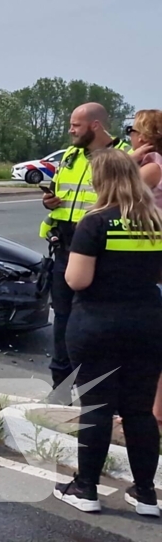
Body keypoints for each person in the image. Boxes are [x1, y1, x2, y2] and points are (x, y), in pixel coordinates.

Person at [53, 148, 162, 516]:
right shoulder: (155, 221)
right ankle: (146, 494)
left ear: (102, 181)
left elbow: (78, 279)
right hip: (148, 325)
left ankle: (86, 489)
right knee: (139, 411)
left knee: (96, 407)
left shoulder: (96, 221)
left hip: (98, 324)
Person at [39, 103, 131, 395]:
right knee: (63, 319)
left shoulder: (125, 157)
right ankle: (61, 388)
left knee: (98, 322)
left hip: (102, 252)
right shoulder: (70, 155)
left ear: (94, 125)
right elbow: (60, 193)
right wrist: (49, 202)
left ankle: (98, 389)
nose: (70, 130)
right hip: (65, 247)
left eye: (76, 125)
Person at [125, 109, 162, 432]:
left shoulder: (152, 167)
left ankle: (154, 413)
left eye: (132, 131)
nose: (130, 137)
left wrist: (131, 159)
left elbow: (116, 192)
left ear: (145, 138)